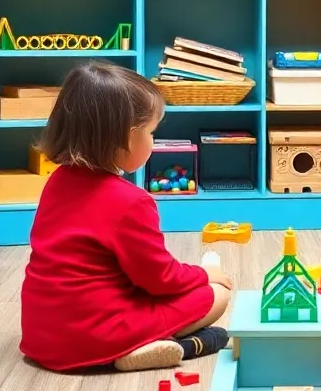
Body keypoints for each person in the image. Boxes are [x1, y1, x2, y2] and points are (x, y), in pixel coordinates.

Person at [20, 62, 232, 372]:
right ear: (125, 137)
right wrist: (204, 275)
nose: (154, 141)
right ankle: (138, 348)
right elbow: (160, 279)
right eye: (150, 132)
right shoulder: (131, 201)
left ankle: (144, 345)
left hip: (42, 338)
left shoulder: (57, 181)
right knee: (217, 296)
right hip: (97, 336)